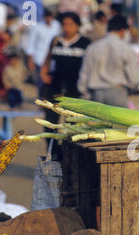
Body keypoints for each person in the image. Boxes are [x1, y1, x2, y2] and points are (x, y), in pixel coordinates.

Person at [40, 11, 91, 158]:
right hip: (55, 87)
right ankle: (54, 152)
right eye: (64, 24)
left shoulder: (85, 43)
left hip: (75, 89)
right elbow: (47, 59)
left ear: (77, 26)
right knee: (50, 121)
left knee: (72, 123)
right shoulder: (56, 41)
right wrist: (43, 74)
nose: (67, 28)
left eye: (70, 24)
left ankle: (70, 155)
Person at [78, 15, 139, 107]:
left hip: (96, 94)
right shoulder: (126, 48)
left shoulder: (92, 47)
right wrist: (128, 89)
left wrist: (85, 94)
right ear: (123, 30)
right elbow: (135, 79)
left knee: (96, 121)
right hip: (118, 92)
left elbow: (84, 75)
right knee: (117, 121)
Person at [25, 9, 61, 98]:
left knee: (52, 81)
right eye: (47, 17)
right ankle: (41, 99)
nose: (48, 19)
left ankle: (49, 98)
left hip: (53, 59)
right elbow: (31, 43)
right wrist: (30, 60)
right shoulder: (37, 27)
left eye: (50, 16)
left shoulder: (57, 25)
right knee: (41, 81)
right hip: (40, 59)